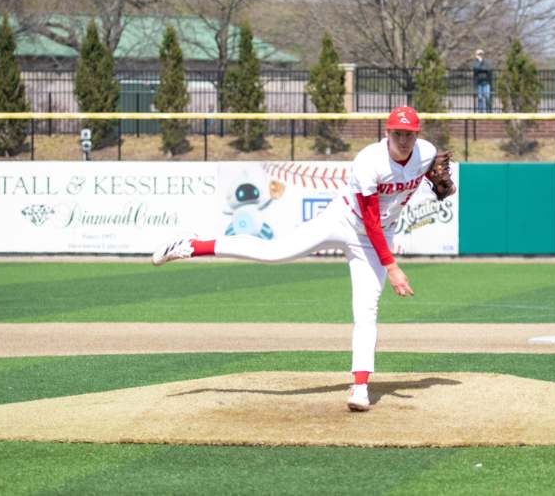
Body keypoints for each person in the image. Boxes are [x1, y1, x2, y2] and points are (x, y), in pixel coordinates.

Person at [151, 106, 456, 412]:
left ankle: (360, 386)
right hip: (343, 220)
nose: (403, 140)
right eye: (397, 133)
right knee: (275, 253)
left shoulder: (425, 153)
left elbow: (426, 172)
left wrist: (432, 176)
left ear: (417, 135)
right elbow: (370, 218)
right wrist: (391, 267)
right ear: (386, 133)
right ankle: (192, 246)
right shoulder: (369, 162)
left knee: (367, 308)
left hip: (381, 235)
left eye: (409, 134)